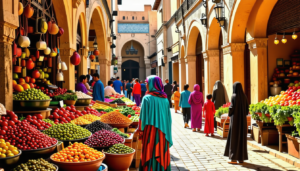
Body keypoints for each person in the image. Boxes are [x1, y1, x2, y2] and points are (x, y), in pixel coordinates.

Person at [138, 75, 173, 171]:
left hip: (150, 132)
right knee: (161, 151)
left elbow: (142, 118)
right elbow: (168, 119)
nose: (146, 85)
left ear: (152, 84)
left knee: (149, 151)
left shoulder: (147, 98)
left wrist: (140, 131)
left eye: (147, 83)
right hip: (163, 133)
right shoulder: (165, 99)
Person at [224, 82, 249, 164]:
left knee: (234, 137)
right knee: (241, 137)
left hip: (235, 120)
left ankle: (233, 158)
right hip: (242, 120)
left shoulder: (234, 96)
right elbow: (246, 109)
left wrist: (229, 114)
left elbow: (231, 107)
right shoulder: (244, 96)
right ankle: (241, 159)